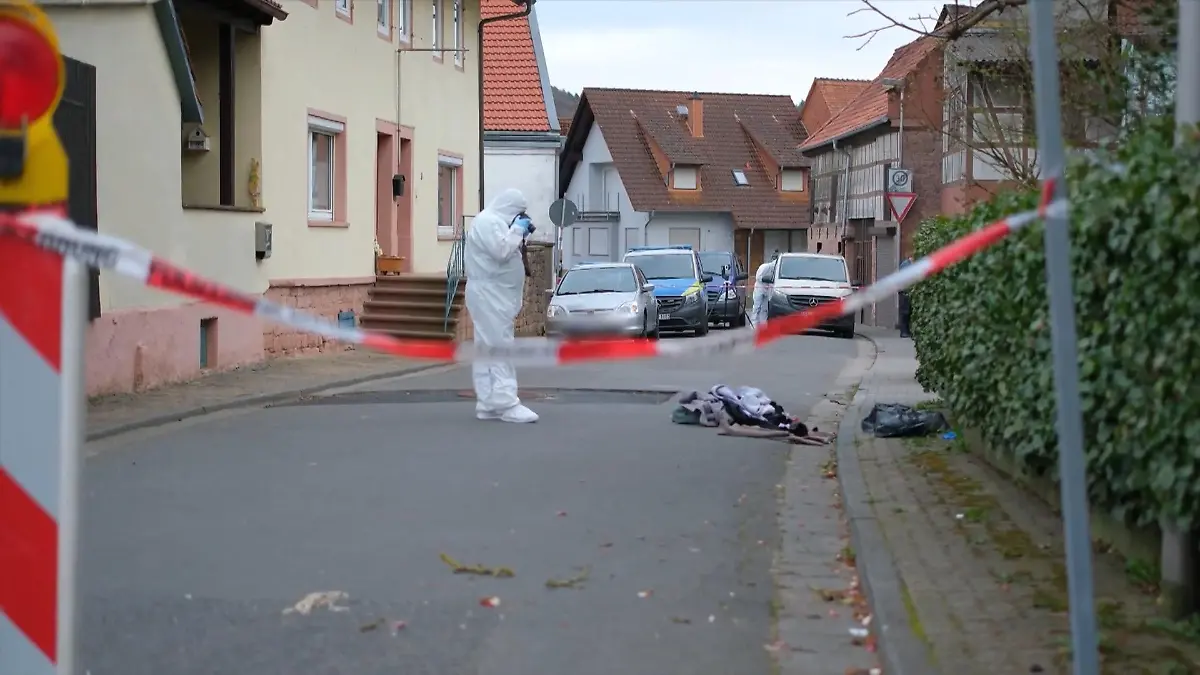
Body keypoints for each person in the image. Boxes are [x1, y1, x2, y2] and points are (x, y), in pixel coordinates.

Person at [464, 188, 539, 423]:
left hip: (492, 296)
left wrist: (518, 232)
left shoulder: (493, 222)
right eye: (519, 212)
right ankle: (506, 403)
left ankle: (488, 403)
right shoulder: (488, 222)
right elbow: (501, 251)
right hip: (489, 296)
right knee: (499, 347)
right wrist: (518, 229)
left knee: (487, 348)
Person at [750, 250, 779, 327]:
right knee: (757, 306)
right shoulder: (765, 267)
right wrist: (766, 279)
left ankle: (764, 324)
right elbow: (758, 277)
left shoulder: (776, 269)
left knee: (765, 308)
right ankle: (754, 323)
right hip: (759, 288)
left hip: (768, 288)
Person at [898, 256, 914, 338]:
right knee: (905, 312)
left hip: (907, 291)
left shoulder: (908, 264)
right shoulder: (906, 265)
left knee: (907, 312)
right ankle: (904, 332)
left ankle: (906, 331)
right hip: (904, 291)